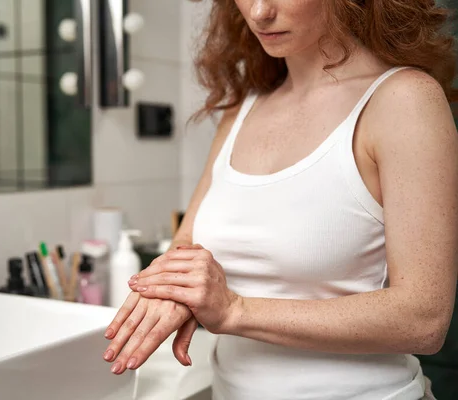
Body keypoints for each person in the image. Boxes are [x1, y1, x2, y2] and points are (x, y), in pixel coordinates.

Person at [103, 0, 458, 398]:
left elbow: (424, 319)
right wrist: (180, 290)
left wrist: (235, 310)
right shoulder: (242, 110)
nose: (258, 12)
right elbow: (188, 241)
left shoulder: (403, 100)